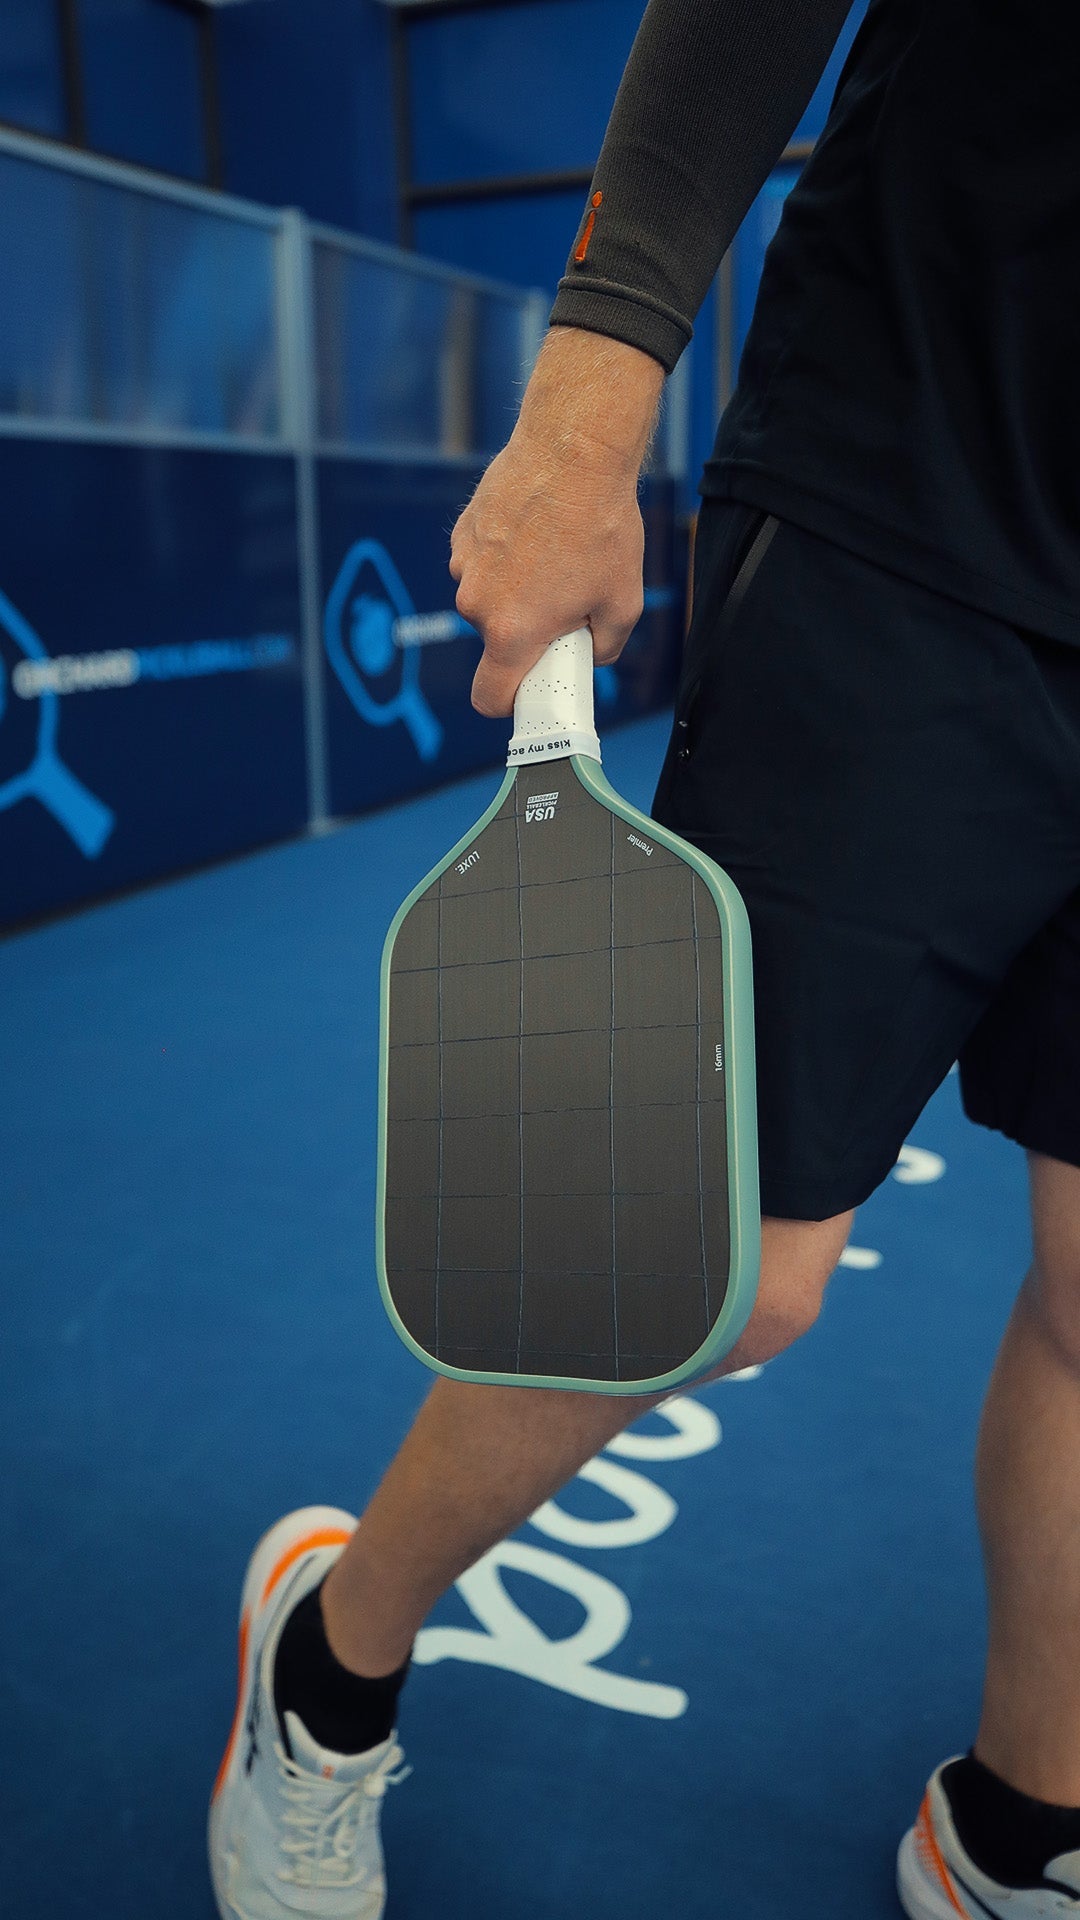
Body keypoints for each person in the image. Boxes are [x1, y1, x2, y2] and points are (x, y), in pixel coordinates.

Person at [208, 1, 1080, 1915]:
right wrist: (586, 404)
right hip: (920, 509)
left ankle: (1021, 1822)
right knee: (717, 1277)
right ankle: (328, 1660)